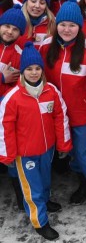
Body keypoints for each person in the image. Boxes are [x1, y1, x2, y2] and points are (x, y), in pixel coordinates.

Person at [40, 0, 86, 211]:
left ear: (79, 27)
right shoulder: (46, 47)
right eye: (63, 24)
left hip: (82, 116)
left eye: (72, 25)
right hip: (56, 115)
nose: (67, 29)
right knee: (72, 152)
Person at [0, 42, 71, 241]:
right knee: (33, 189)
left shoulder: (51, 91)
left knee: (45, 180)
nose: (33, 73)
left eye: (37, 68)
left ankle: (46, 201)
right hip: (26, 153)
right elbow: (4, 128)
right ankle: (40, 222)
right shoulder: (13, 97)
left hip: (46, 149)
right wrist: (7, 154)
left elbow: (60, 117)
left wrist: (63, 144)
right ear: (22, 71)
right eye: (29, 69)